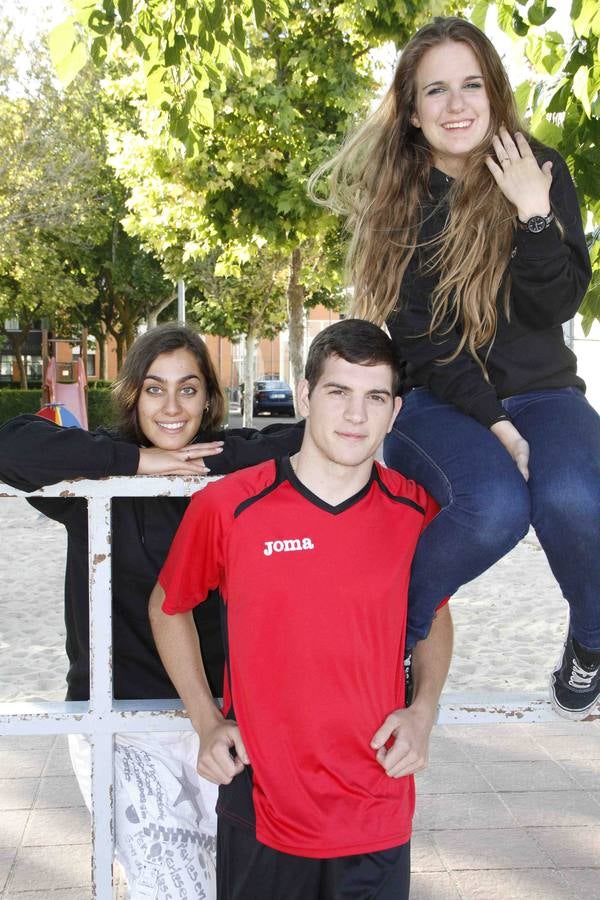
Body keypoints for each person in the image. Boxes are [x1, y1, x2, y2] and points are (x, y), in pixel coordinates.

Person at [309, 16, 599, 720]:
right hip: (439, 397)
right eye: (436, 90)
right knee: (494, 506)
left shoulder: (542, 168)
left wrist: (534, 215)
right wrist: (496, 426)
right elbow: (426, 342)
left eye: (471, 84)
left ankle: (590, 644)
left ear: (495, 92)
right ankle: (389, 642)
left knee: (573, 498)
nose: (457, 104)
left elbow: (555, 301)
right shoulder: (398, 201)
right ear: (412, 111)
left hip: (545, 391)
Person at [149, 319, 453, 900]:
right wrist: (207, 722)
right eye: (338, 392)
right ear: (306, 394)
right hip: (264, 802)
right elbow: (168, 608)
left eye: (375, 397)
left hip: (377, 802)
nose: (356, 416)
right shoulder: (231, 505)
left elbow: (433, 617)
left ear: (395, 410)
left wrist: (424, 712)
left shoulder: (415, 511)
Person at [0, 323, 304, 900]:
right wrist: (137, 464)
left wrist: (208, 466)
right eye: (154, 389)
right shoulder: (97, 475)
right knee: (170, 890)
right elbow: (10, 444)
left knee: (244, 885)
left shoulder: (227, 459)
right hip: (119, 720)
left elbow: (321, 438)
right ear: (133, 395)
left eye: (188, 389)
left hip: (225, 720)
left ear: (209, 399)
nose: (171, 406)